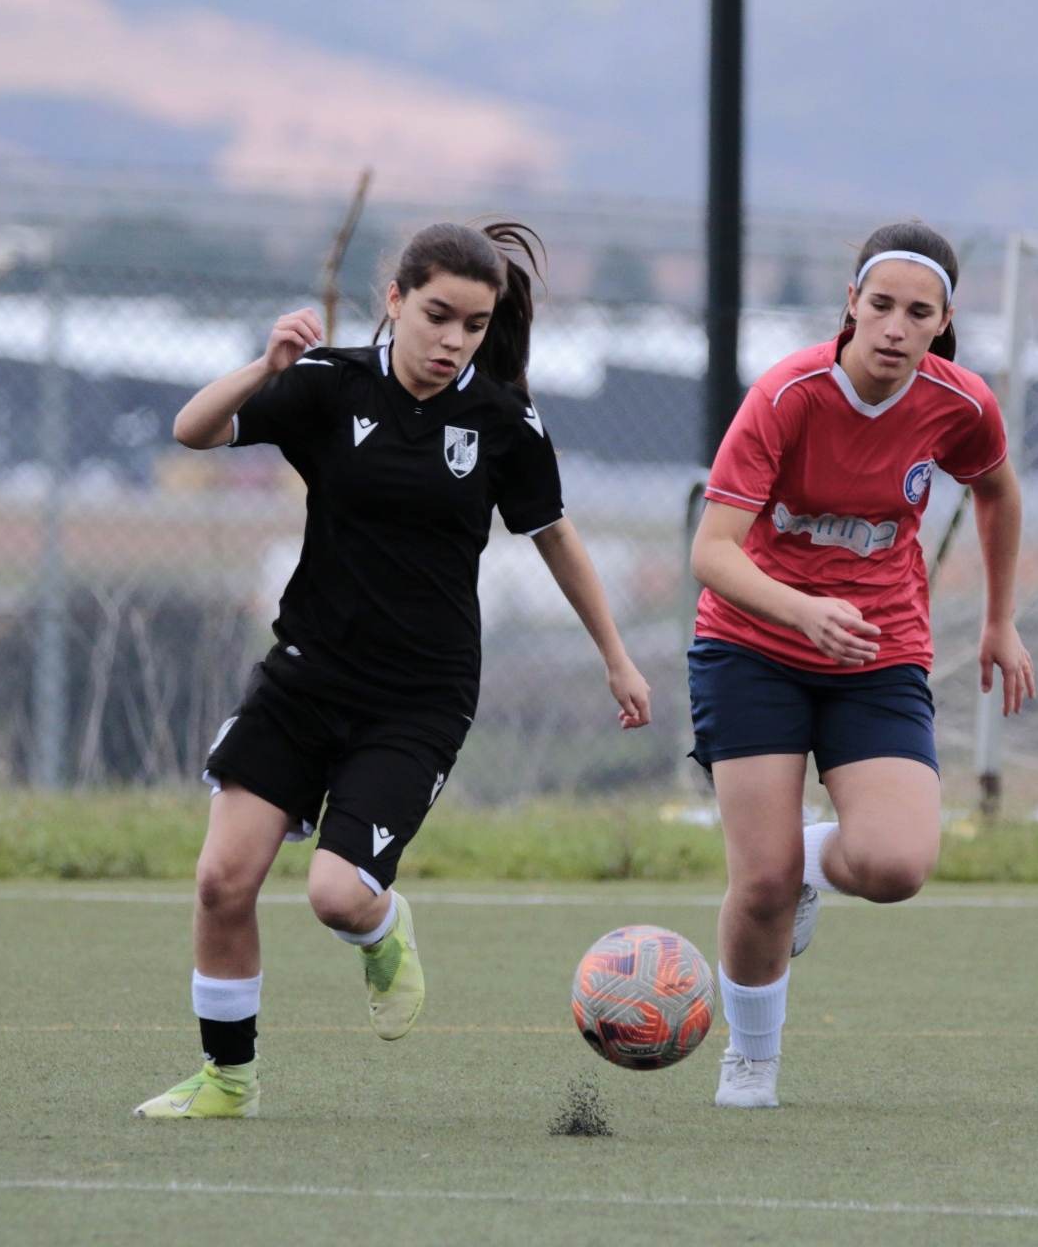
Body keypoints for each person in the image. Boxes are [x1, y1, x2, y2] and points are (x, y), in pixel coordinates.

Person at [135, 221, 651, 1119]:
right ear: (396, 300)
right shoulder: (329, 384)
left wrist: (616, 657)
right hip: (304, 678)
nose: (453, 342)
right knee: (222, 881)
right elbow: (191, 431)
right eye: (439, 316)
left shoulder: (502, 418)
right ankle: (227, 1080)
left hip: (418, 699)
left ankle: (384, 928)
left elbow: (555, 537)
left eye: (475, 326)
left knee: (337, 896)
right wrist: (267, 367)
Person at [688, 220, 1033, 1108]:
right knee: (755, 883)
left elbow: (995, 489)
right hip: (752, 645)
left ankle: (810, 861)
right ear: (850, 304)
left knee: (895, 867)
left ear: (942, 323)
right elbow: (713, 552)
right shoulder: (786, 394)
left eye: (918, 313)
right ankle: (752, 1061)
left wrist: (1000, 621)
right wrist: (803, 611)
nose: (894, 326)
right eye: (879, 305)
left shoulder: (960, 403)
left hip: (878, 654)